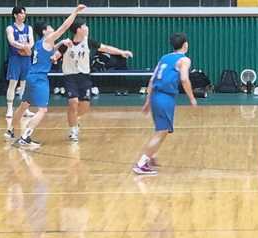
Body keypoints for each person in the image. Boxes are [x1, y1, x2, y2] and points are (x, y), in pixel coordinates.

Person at [6, 4, 86, 148]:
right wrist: (75, 11)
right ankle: (25, 137)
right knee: (43, 110)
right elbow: (64, 27)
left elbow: (50, 51)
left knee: (24, 105)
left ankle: (10, 130)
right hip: (39, 78)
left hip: (31, 76)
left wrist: (61, 42)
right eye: (50, 28)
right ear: (44, 31)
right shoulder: (48, 39)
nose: (52, 29)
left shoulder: (39, 43)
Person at [53, 20, 133, 142]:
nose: (87, 28)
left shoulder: (88, 42)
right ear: (78, 29)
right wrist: (54, 57)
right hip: (70, 77)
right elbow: (56, 55)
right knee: (73, 102)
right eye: (84, 26)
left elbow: (106, 48)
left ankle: (74, 118)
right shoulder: (66, 44)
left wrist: (122, 52)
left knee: (85, 105)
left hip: (84, 77)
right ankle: (73, 130)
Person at [133, 32, 196, 176]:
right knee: (162, 131)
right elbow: (185, 79)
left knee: (161, 130)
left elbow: (152, 79)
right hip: (165, 97)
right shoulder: (184, 60)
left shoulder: (164, 58)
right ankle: (141, 163)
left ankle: (151, 156)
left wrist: (148, 101)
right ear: (185, 44)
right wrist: (191, 97)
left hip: (156, 95)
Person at [5, 6, 33, 119]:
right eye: (21, 13)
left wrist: (27, 48)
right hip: (15, 58)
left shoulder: (28, 28)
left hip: (26, 59)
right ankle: (9, 109)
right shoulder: (10, 28)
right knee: (13, 83)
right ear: (15, 15)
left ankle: (24, 109)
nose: (23, 15)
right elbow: (12, 42)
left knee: (24, 85)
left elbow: (31, 42)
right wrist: (24, 47)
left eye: (24, 13)